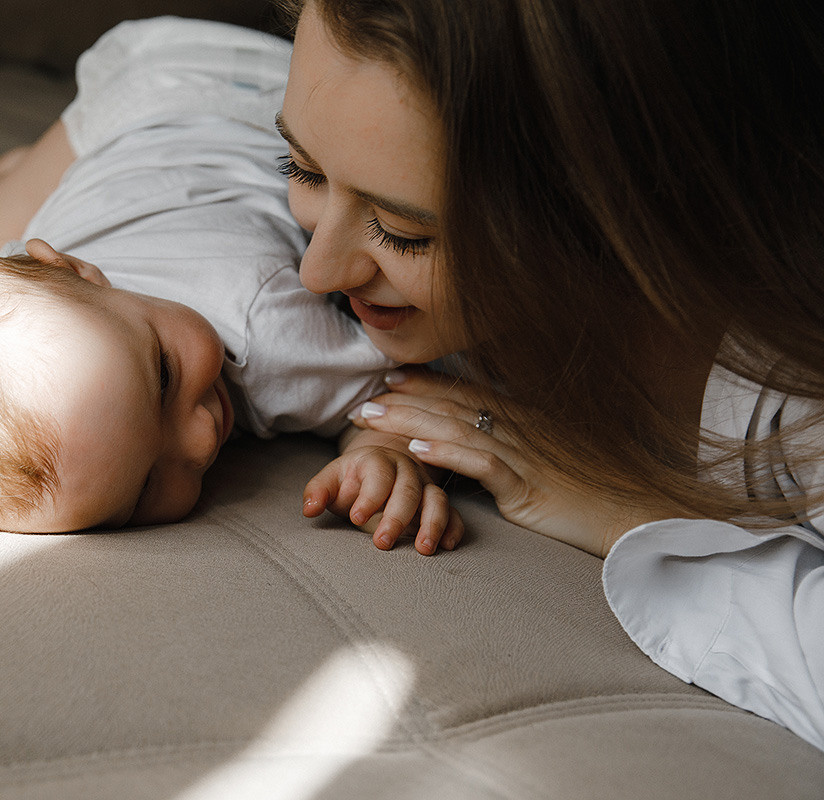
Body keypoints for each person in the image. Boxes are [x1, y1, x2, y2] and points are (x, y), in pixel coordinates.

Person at [277, 0, 824, 750]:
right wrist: (382, 441)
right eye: (301, 168)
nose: (317, 271)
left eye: (406, 233)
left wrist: (623, 511)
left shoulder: (796, 379)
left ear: (620, 213)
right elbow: (153, 65)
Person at [0, 17, 466, 549]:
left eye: (163, 374)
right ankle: (31, 171)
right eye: (145, 489)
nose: (201, 432)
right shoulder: (45, 285)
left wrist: (379, 447)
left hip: (186, 83)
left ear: (70, 269)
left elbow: (390, 397)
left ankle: (33, 171)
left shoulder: (269, 334)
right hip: (131, 169)